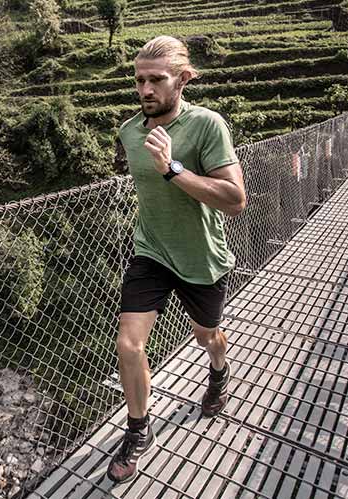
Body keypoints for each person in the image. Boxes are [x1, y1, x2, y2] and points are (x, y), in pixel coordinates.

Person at [106, 36, 246, 484]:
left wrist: (173, 169)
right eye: (139, 80)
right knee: (129, 344)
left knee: (207, 337)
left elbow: (235, 199)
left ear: (183, 79)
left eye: (156, 79)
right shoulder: (129, 131)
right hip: (151, 251)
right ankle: (138, 429)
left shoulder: (207, 125)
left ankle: (219, 371)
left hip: (201, 258)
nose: (145, 89)